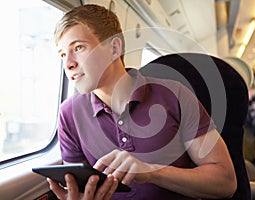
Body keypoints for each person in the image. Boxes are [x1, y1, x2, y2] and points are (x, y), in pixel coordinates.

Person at [47, 4, 237, 200]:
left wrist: (152, 173)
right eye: (62, 54)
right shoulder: (69, 114)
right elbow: (81, 189)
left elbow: (226, 182)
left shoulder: (175, 95)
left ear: (114, 48)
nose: (68, 64)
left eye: (78, 48)